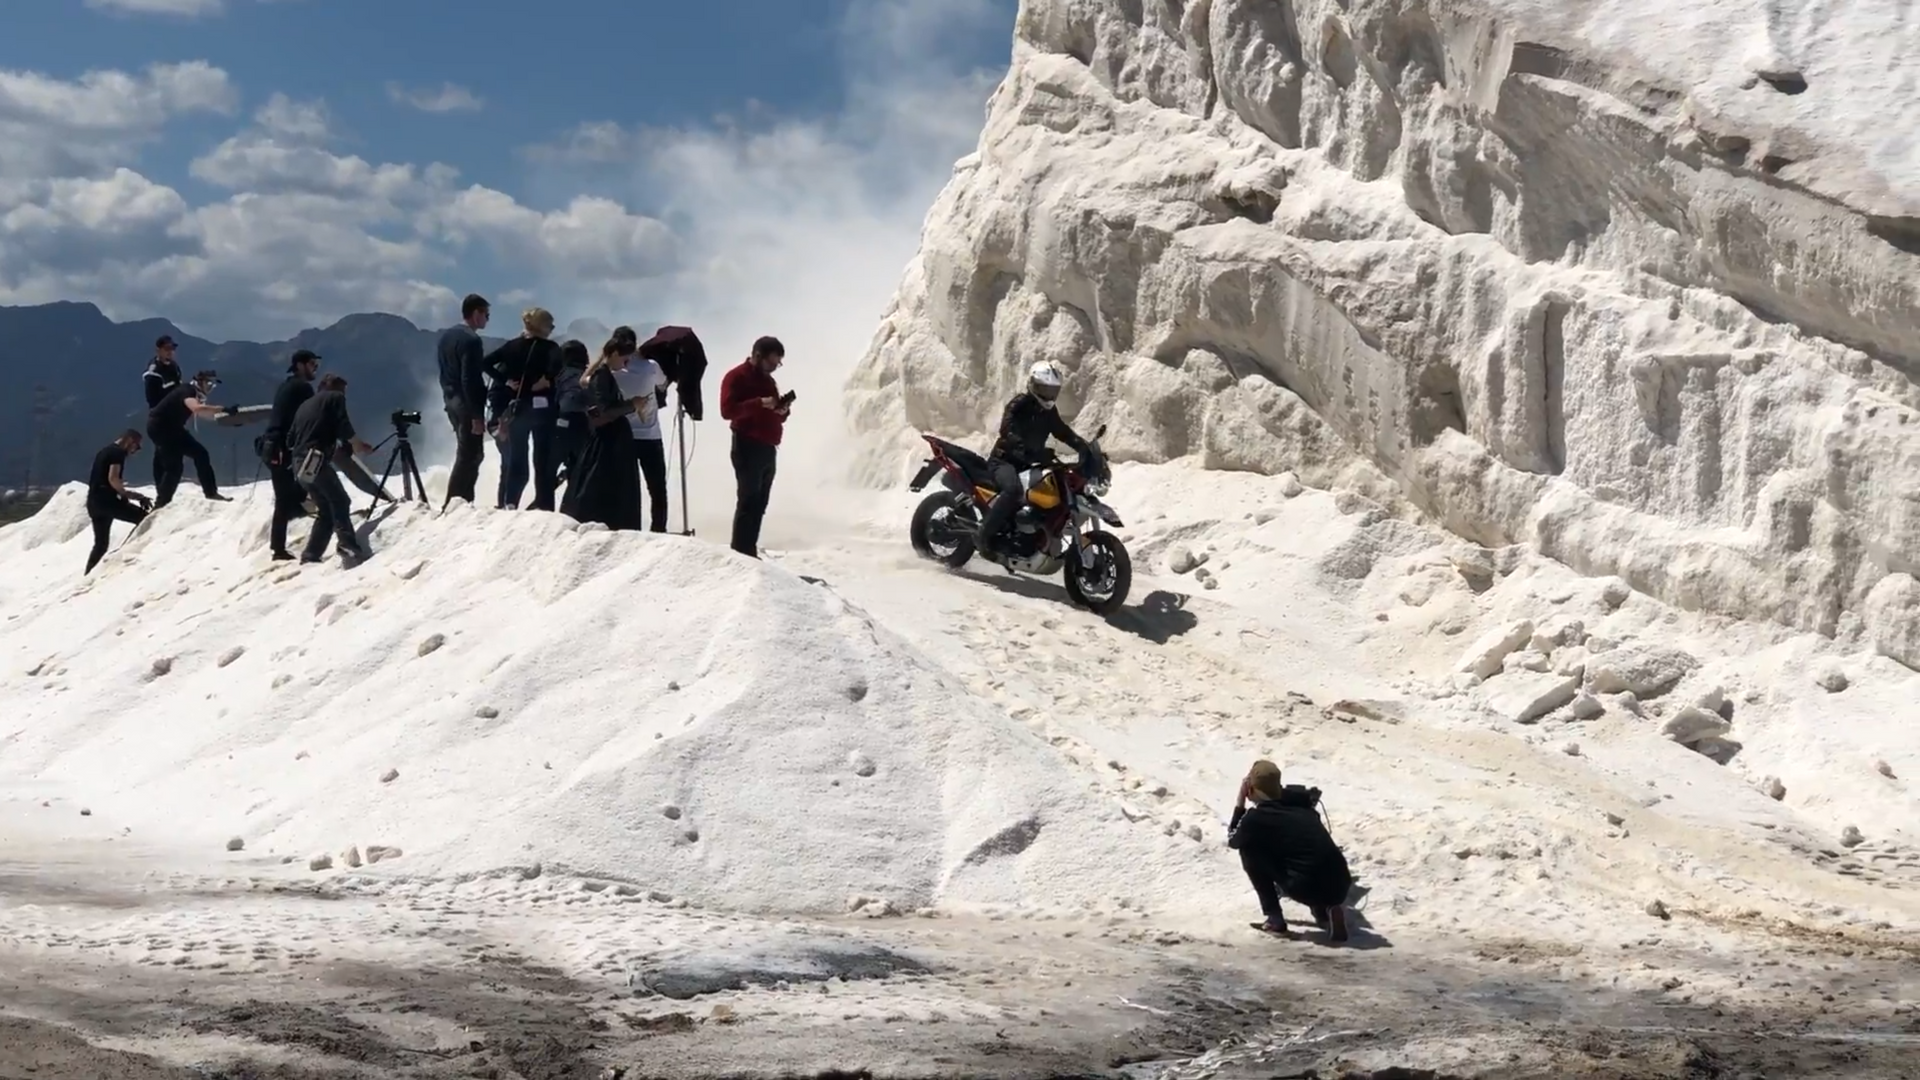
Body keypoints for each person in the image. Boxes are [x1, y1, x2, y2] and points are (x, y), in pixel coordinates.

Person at [1226, 760, 1353, 942]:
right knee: (1304, 858)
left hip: (1305, 887)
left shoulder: (1256, 818)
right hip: (1341, 884)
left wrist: (1240, 802)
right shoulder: (1303, 806)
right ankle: (1325, 911)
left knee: (1249, 850)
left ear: (1251, 789)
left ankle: (1274, 919)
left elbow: (1233, 840)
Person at [975, 360, 1092, 555]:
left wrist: (1084, 447)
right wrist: (1023, 446)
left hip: (1029, 462)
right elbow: (1007, 429)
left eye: (1052, 390)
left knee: (1051, 490)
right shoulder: (1019, 404)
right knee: (1013, 490)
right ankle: (983, 535)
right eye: (1044, 389)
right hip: (1004, 461)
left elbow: (1063, 432)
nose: (1048, 395)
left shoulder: (1049, 412)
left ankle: (1032, 536)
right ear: (1033, 385)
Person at [285, 373, 375, 564]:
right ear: (335, 388)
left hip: (298, 463)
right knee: (340, 500)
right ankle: (347, 544)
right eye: (343, 390)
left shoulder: (304, 405)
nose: (344, 395)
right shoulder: (335, 397)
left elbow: (290, 439)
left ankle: (311, 554)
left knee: (326, 508)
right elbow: (343, 424)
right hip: (315, 459)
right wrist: (357, 444)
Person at [560, 329, 645, 530]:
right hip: (609, 441)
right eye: (625, 359)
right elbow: (605, 410)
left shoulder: (601, 374)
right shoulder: (601, 376)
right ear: (614, 354)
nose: (626, 364)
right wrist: (632, 404)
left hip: (610, 439)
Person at [483, 307, 563, 510]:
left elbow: (485, 363)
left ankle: (510, 503)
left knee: (517, 459)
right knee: (543, 461)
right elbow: (558, 369)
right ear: (541, 326)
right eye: (550, 325)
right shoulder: (551, 348)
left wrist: (506, 381)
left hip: (517, 408)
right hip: (544, 410)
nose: (552, 328)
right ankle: (545, 506)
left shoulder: (511, 346)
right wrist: (546, 380)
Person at [717, 335, 788, 557]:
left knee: (760, 503)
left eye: (778, 363)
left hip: (768, 446)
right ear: (758, 356)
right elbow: (727, 411)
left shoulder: (769, 381)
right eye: (772, 362)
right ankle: (740, 553)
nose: (775, 367)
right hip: (747, 444)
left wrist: (782, 411)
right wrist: (759, 403)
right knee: (748, 501)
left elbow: (775, 412)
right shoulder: (736, 377)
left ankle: (750, 549)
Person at [261, 349, 320, 560]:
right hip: (282, 449)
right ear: (300, 365)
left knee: (287, 498)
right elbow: (313, 416)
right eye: (312, 364)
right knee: (291, 497)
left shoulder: (286, 385)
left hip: (271, 446)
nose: (315, 368)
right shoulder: (302, 388)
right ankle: (279, 548)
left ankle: (278, 547)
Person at [146, 369, 234, 507]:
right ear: (200, 381)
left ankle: (211, 492)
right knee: (174, 467)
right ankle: (161, 503)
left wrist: (228, 419)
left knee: (200, 454)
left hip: (172, 428)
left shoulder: (193, 392)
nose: (211, 387)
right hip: (162, 429)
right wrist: (222, 409)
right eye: (209, 383)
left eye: (213, 384)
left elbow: (203, 413)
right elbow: (197, 408)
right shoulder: (188, 391)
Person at [611, 337, 671, 532]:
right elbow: (663, 383)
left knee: (626, 487)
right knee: (657, 487)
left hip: (624, 435)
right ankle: (659, 528)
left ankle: (626, 527)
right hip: (650, 436)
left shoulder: (611, 371)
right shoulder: (651, 366)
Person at [437, 293, 490, 506]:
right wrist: (477, 415)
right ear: (476, 313)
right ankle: (456, 503)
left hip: (450, 400)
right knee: (471, 455)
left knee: (467, 452)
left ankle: (462, 501)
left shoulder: (446, 337)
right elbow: (470, 379)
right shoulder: (472, 340)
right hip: (466, 404)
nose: (487, 319)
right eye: (486, 315)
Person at [83, 430, 152, 574]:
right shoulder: (117, 454)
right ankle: (129, 551)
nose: (135, 450)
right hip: (108, 501)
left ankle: (88, 574)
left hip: (94, 502)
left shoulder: (104, 451)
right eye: (137, 446)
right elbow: (113, 478)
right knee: (144, 519)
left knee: (101, 544)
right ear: (129, 441)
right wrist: (129, 495)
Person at [552, 339, 592, 493]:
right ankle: (574, 499)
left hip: (560, 420)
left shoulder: (559, 374)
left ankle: (545, 497)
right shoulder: (586, 375)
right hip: (581, 421)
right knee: (580, 465)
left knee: (552, 463)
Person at [143, 334, 182, 409]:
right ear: (158, 351)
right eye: (167, 348)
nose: (170, 352)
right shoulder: (153, 373)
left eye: (173, 348)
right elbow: (152, 401)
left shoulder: (175, 367)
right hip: (162, 412)